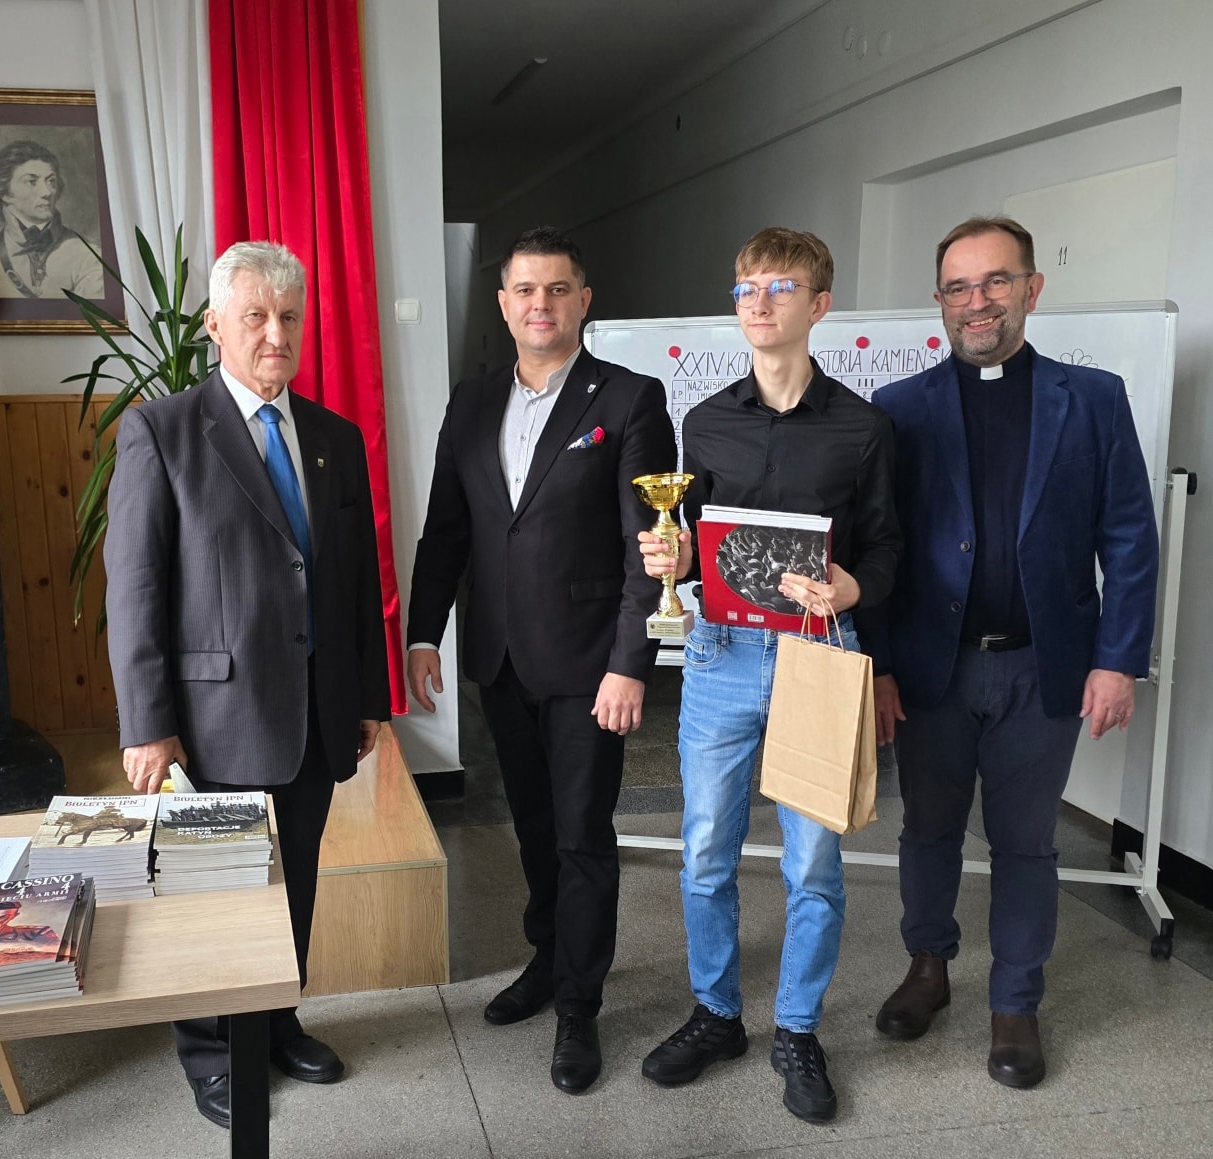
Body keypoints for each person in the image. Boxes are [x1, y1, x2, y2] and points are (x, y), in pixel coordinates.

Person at [862, 216, 1159, 1088]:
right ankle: (927, 966)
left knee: (1025, 841)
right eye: (958, 287)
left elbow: (1128, 538)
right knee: (927, 827)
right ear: (939, 301)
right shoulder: (898, 408)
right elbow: (879, 549)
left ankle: (1014, 1000)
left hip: (1042, 663)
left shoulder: (1092, 398)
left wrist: (1117, 659)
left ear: (1031, 288)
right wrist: (879, 667)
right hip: (933, 665)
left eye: (994, 281)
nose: (976, 301)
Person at [105, 240, 390, 1129]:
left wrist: (367, 695)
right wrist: (147, 723)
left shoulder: (335, 438)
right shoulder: (162, 431)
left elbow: (354, 578)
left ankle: (274, 1020)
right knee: (212, 891)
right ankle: (210, 1051)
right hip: (212, 715)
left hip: (315, 710)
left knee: (292, 878)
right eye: (257, 316)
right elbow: (135, 587)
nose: (276, 333)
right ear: (215, 325)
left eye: (289, 316)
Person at [637, 228, 900, 1122]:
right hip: (719, 652)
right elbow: (696, 545)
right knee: (704, 849)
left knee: (813, 861)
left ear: (818, 305)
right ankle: (716, 1013)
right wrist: (671, 558)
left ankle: (796, 1027)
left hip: (817, 651)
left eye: (779, 287)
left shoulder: (864, 428)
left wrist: (851, 586)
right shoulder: (704, 420)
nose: (757, 301)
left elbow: (888, 547)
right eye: (745, 286)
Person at [406, 226, 675, 1094]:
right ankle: (548, 958)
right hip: (501, 658)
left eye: (557, 289)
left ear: (583, 301)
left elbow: (646, 546)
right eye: (525, 289)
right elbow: (447, 528)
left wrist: (631, 660)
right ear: (502, 303)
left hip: (591, 664)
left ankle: (579, 1007)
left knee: (581, 836)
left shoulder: (629, 399)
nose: (540, 304)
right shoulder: (472, 401)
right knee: (530, 825)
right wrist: (422, 632)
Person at [0, 139, 104, 300]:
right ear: (5, 193)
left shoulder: (87, 256)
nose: (47, 192)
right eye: (32, 182)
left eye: (51, 181)